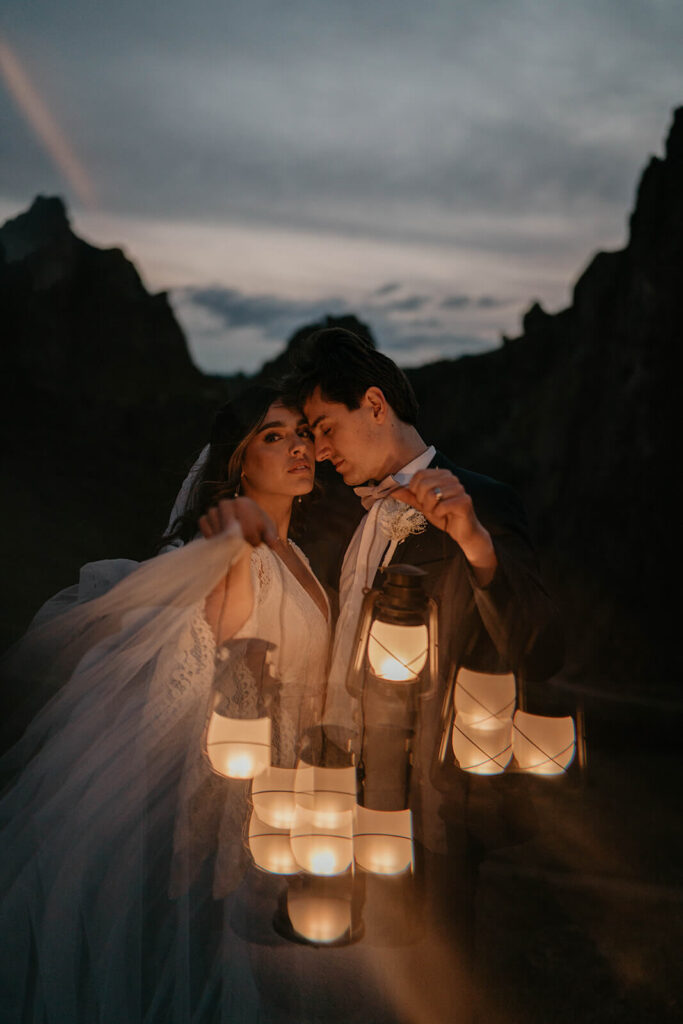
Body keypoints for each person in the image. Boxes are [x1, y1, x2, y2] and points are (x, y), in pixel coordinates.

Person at [0, 384, 333, 1023]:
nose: (299, 446)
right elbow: (215, 635)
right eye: (274, 435)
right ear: (237, 463)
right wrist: (232, 541)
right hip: (232, 806)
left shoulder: (299, 559)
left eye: (301, 433)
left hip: (296, 801)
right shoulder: (237, 556)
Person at [286, 326, 565, 1015]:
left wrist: (473, 544)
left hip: (433, 808)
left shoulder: (481, 499)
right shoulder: (353, 524)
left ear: (375, 404)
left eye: (325, 427)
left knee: (431, 994)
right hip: (345, 798)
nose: (319, 453)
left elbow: (540, 644)